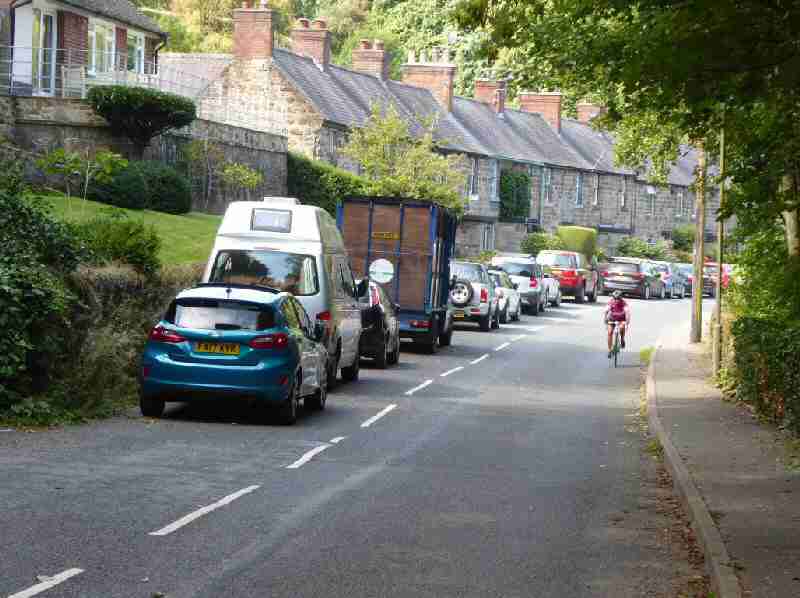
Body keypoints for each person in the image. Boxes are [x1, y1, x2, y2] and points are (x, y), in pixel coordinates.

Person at [605, 290, 630, 357]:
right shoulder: (611, 302)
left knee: (622, 327)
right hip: (612, 319)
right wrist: (605, 320)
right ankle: (609, 350)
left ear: (621, 298)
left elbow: (627, 313)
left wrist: (627, 323)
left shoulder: (624, 303)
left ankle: (622, 339)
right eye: (614, 298)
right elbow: (606, 311)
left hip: (621, 319)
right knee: (610, 332)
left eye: (618, 298)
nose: (616, 300)